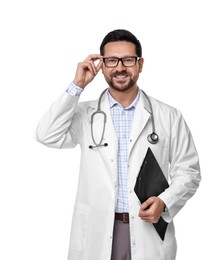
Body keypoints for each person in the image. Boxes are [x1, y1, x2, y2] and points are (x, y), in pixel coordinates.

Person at [36, 29, 201, 260]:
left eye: (128, 60)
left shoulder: (169, 116)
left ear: (140, 64)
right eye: (111, 60)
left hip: (147, 230)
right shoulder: (85, 115)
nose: (120, 67)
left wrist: (165, 201)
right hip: (98, 230)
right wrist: (77, 85)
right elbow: (47, 135)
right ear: (101, 64)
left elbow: (189, 171)